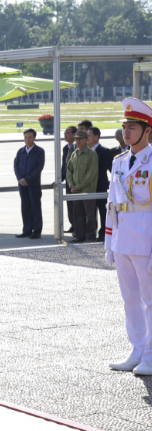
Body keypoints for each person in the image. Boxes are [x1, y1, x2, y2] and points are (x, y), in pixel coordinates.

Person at [105, 98, 152, 376]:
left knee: (150, 299)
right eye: (125, 126)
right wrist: (109, 243)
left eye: (132, 127)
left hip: (146, 239)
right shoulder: (120, 161)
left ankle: (150, 353)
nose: (126, 132)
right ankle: (137, 349)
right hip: (123, 238)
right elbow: (112, 204)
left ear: (148, 131)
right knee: (130, 298)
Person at [67, 130, 98, 243]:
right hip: (76, 191)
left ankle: (90, 236)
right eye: (76, 138)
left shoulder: (91, 154)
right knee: (77, 213)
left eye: (80, 138)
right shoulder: (74, 153)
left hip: (87, 190)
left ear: (86, 140)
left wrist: (79, 186)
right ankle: (79, 236)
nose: (78, 141)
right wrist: (71, 185)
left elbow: (91, 173)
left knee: (90, 214)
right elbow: (69, 170)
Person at [13, 129, 45, 239]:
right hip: (22, 185)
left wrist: (28, 179)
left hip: (33, 185)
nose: (28, 139)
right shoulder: (20, 151)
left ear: (34, 138)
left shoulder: (39, 151)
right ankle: (27, 230)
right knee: (25, 207)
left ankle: (36, 231)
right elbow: (16, 166)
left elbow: (39, 168)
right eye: (26, 137)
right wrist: (20, 179)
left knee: (35, 207)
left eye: (30, 137)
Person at [90, 127, 112, 242]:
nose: (87, 138)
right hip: (88, 187)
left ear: (96, 137)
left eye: (89, 135)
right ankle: (91, 233)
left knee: (103, 211)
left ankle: (103, 233)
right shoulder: (85, 151)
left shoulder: (105, 151)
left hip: (100, 185)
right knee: (90, 212)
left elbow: (103, 168)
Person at [62, 126, 77, 233]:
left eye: (68, 133)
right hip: (68, 180)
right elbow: (64, 166)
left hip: (77, 181)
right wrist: (60, 178)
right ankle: (73, 224)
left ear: (74, 135)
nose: (65, 135)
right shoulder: (65, 148)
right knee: (70, 205)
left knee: (77, 205)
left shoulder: (79, 147)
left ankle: (79, 227)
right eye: (65, 132)